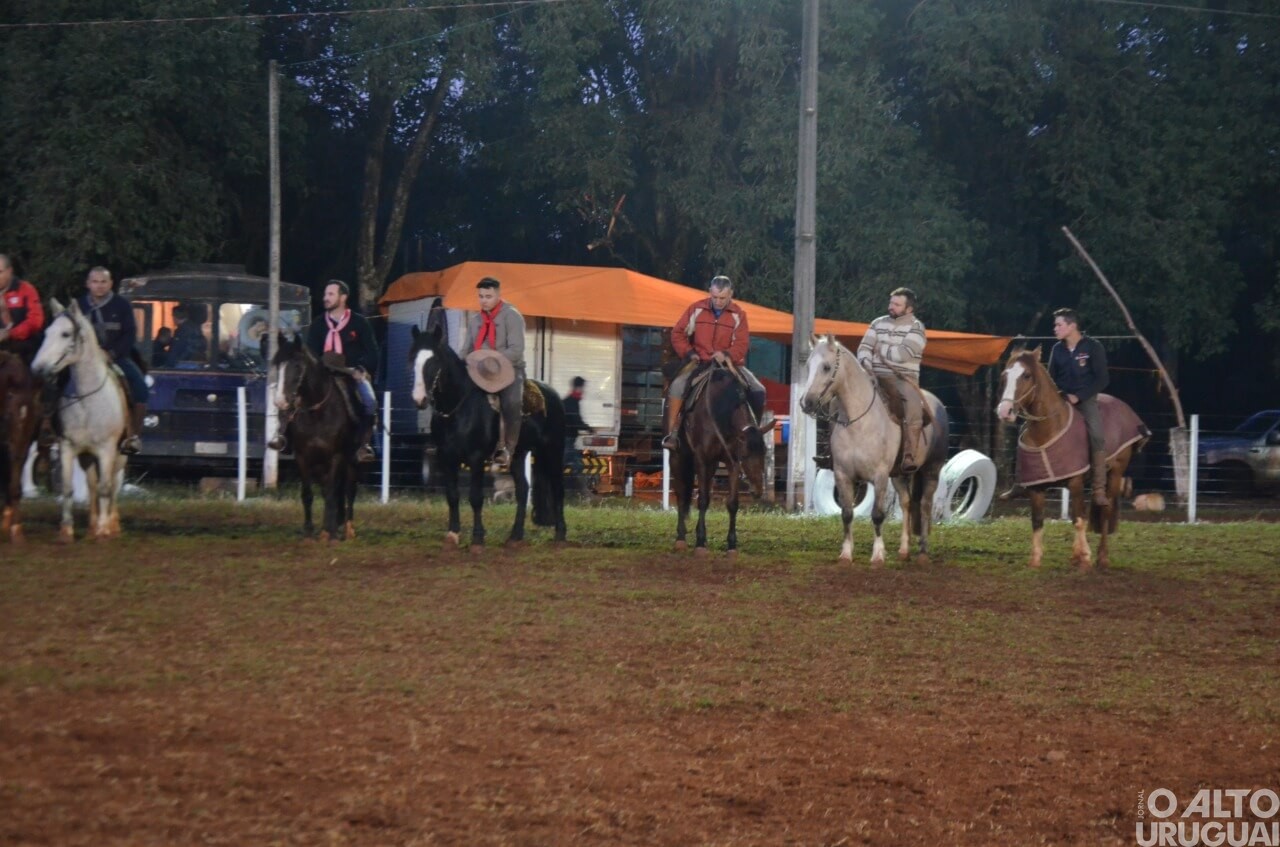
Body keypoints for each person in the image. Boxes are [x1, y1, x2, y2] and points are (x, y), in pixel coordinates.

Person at [271, 280, 379, 462]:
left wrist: (361, 368)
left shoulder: (359, 323)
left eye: (330, 295)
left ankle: (364, 445)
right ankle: (283, 436)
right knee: (293, 396)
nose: (326, 298)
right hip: (324, 373)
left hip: (351, 373)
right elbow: (310, 353)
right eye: (325, 295)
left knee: (370, 401)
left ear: (343, 297)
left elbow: (372, 352)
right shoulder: (318, 324)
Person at [664, 274, 768, 450]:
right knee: (677, 386)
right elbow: (678, 333)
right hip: (700, 362)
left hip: (730, 364)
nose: (718, 301)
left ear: (731, 295)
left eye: (722, 298)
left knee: (759, 389)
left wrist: (727, 354)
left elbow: (742, 343)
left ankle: (752, 431)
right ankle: (673, 434)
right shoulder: (696, 309)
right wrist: (689, 353)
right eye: (715, 297)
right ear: (710, 293)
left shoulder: (739, 315)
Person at [78, 266, 148, 454]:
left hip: (115, 357)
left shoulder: (122, 305)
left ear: (110, 284)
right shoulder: (78, 306)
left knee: (140, 387)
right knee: (55, 382)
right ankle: (52, 431)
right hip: (82, 360)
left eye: (103, 282)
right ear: (88, 284)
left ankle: (133, 436)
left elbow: (129, 333)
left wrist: (112, 354)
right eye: (95, 282)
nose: (99, 286)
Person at [857, 286, 927, 473]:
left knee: (913, 408)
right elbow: (864, 347)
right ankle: (829, 448)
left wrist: (880, 350)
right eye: (891, 303)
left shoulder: (917, 327)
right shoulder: (877, 323)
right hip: (873, 375)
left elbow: (903, 354)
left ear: (909, 309)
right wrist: (867, 364)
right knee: (840, 397)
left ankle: (909, 454)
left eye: (897, 304)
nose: (891, 307)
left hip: (902, 378)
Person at [1047, 307, 1111, 506]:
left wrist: (1080, 396)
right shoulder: (1057, 349)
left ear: (1072, 326)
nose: (1055, 329)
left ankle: (1099, 489)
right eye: (1055, 325)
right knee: (1029, 427)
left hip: (1086, 400)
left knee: (1097, 436)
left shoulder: (1093, 347)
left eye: (1059, 325)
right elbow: (1050, 378)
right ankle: (1021, 482)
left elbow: (1102, 379)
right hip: (1061, 399)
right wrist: (1060, 395)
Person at [463, 277, 525, 469]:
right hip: (480, 371)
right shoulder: (475, 321)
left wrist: (492, 359)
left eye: (488, 296)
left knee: (512, 402)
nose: (484, 300)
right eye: (481, 296)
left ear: (498, 294)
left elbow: (516, 350)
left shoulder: (512, 316)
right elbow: (466, 349)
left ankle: (507, 448)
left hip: (509, 369)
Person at [0, 254, 45, 367]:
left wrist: (10, 334)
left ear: (10, 271)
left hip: (26, 348)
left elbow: (35, 321)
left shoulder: (25, 289)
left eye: (0, 272)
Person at [563, 376, 593, 488]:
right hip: (567, 437)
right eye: (583, 387)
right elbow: (576, 420)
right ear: (578, 387)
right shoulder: (571, 402)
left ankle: (571, 488)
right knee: (577, 464)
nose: (584, 390)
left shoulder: (570, 401)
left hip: (567, 437)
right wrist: (588, 428)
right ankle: (573, 489)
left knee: (573, 462)